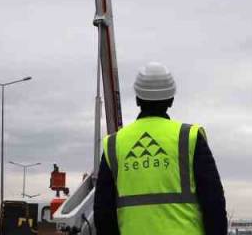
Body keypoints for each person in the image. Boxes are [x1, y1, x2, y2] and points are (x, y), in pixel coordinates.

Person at [94, 62, 228, 235]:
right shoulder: (188, 137)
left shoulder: (115, 144)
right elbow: (214, 203)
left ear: (137, 99)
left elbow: (103, 213)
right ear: (171, 100)